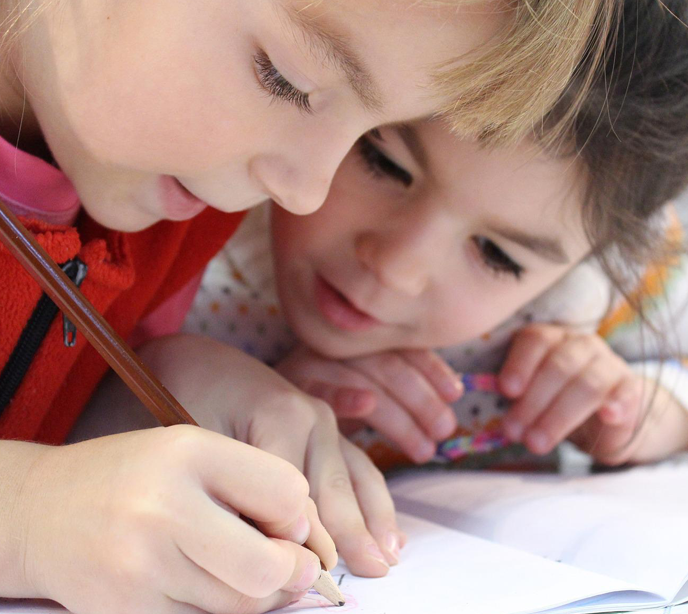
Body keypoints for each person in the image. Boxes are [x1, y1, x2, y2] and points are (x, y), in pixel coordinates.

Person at [0, 1, 620, 613]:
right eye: (286, 81)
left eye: (361, 136)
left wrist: (143, 394)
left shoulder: (175, 205)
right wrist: (30, 516)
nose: (303, 194)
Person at [184, 0, 688, 476]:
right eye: (383, 163)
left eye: (496, 255)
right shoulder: (194, 218)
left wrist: (648, 412)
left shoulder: (618, 285)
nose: (396, 268)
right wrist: (236, 406)